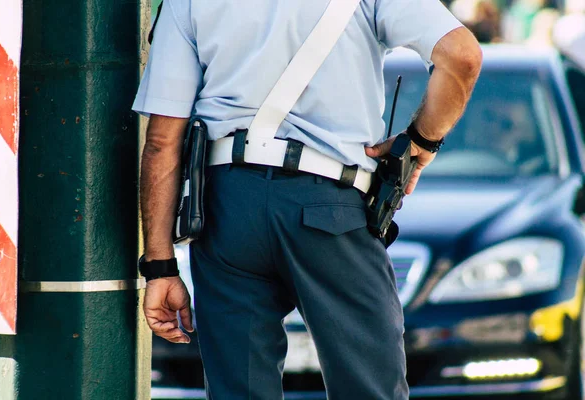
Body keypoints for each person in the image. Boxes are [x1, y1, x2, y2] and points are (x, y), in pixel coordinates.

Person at [133, 0, 482, 398]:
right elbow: (462, 55)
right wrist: (422, 140)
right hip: (328, 205)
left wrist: (160, 267)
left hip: (225, 208)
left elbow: (162, 141)